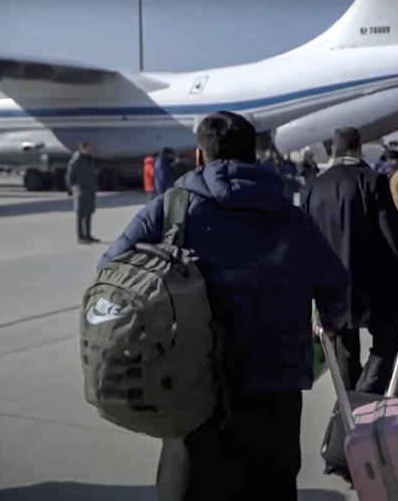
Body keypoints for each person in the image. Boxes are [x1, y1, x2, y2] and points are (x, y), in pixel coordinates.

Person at [98, 111, 350, 501]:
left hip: (193, 380)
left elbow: (112, 269)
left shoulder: (174, 207)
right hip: (275, 385)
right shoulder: (289, 216)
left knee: (192, 485)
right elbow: (336, 287)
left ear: (200, 157)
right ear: (254, 156)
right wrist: (326, 324)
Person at [303, 126, 398, 395]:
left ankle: (350, 409)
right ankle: (364, 397)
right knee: (388, 342)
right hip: (375, 281)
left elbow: (305, 241)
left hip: (331, 284)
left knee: (344, 346)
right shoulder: (371, 181)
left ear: (333, 150)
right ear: (358, 148)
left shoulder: (313, 186)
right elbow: (394, 233)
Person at [67, 142, 98, 244]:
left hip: (90, 189)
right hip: (81, 189)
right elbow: (71, 174)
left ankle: (88, 235)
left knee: (89, 213)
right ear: (82, 148)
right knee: (80, 214)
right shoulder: (77, 159)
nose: (90, 149)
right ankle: (80, 237)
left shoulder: (90, 159)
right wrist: (71, 187)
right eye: (88, 148)